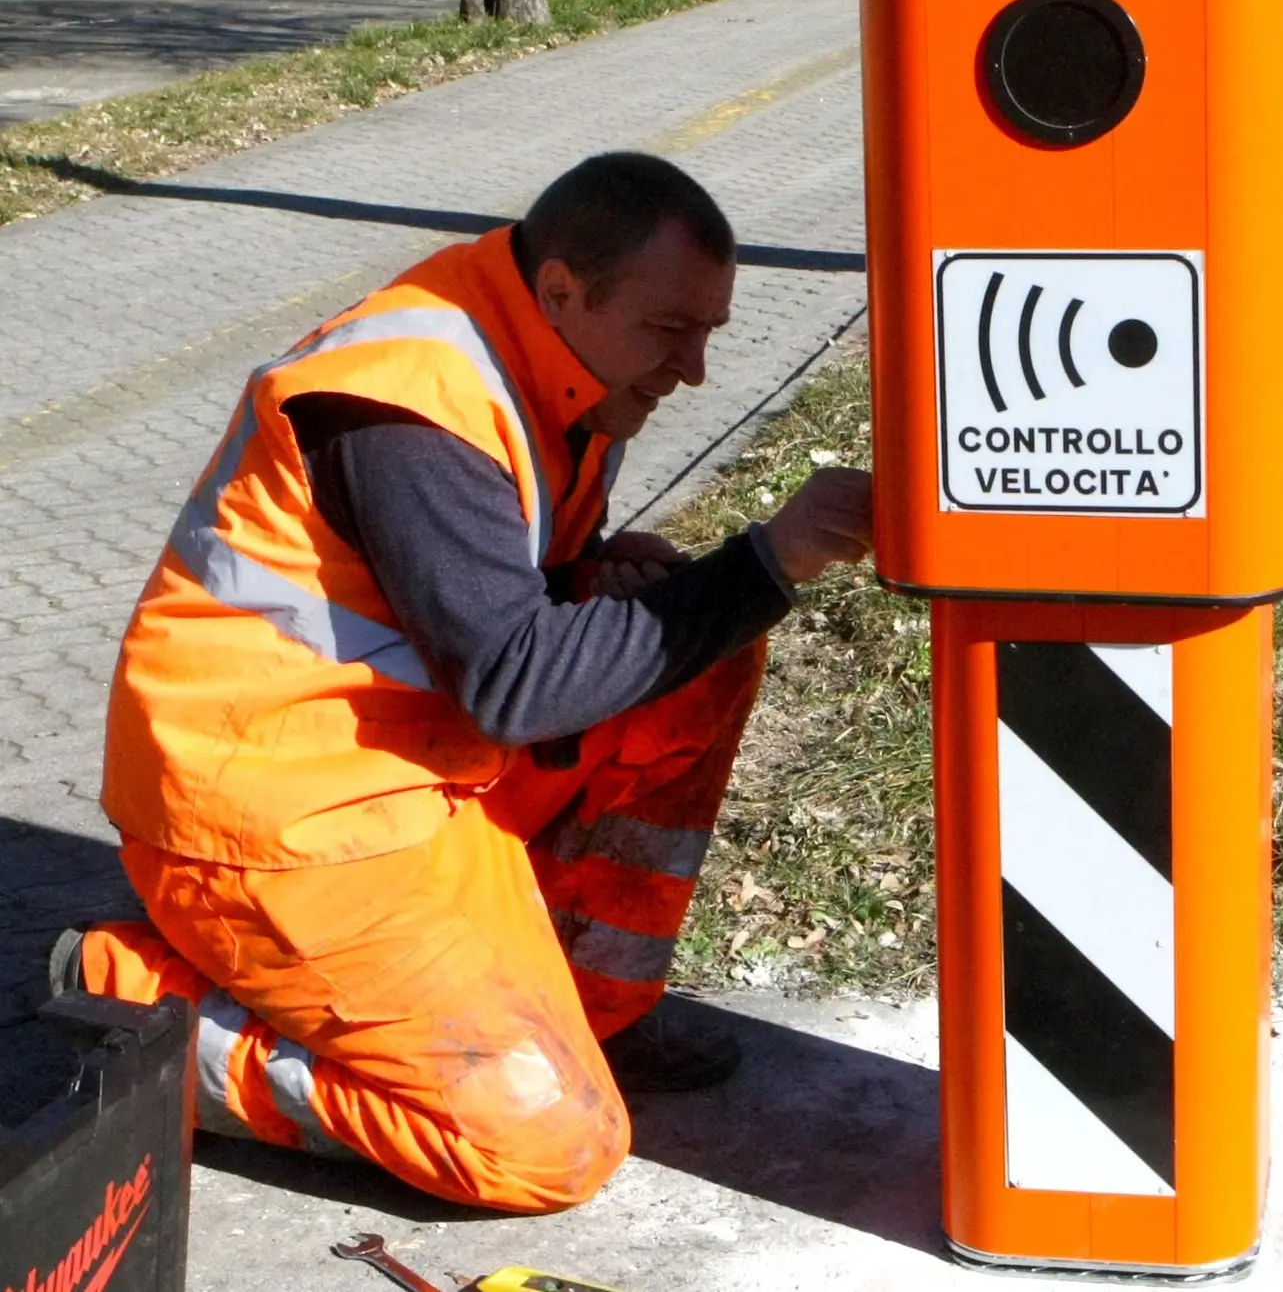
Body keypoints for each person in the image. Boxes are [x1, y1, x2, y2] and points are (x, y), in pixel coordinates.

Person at [55, 152, 875, 1213]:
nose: (696, 370)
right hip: (278, 823)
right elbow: (517, 685)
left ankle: (591, 1009)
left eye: (709, 330)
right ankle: (138, 996)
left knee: (699, 662)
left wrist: (585, 575)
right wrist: (774, 557)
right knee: (546, 1148)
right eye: (672, 331)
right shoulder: (412, 401)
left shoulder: (557, 360)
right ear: (562, 289)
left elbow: (472, 603)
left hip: (407, 765)